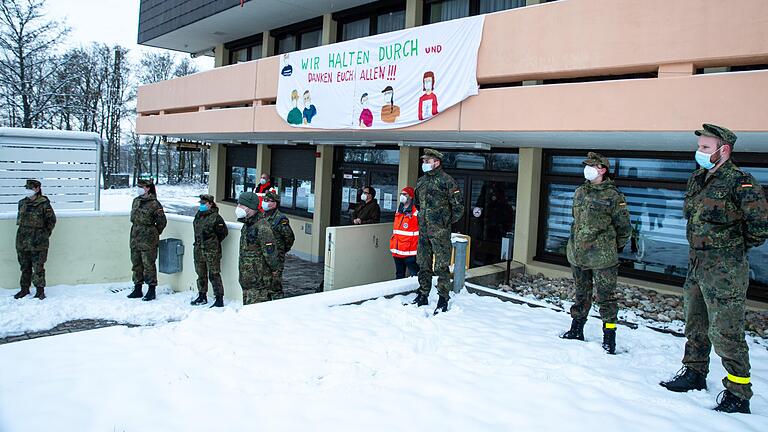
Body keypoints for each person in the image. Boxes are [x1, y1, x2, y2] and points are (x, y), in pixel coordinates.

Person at [660, 124, 768, 414]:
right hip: (697, 265)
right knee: (695, 322)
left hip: (725, 270)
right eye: (700, 147)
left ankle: (738, 392)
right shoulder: (698, 178)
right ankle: (694, 373)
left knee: (726, 332)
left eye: (706, 148)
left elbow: (759, 227)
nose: (700, 152)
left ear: (724, 150)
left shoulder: (741, 182)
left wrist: (731, 249)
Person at [561, 152, 630, 355]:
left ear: (602, 170)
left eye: (592, 165)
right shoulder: (580, 192)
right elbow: (576, 221)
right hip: (579, 255)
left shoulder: (614, 196)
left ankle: (609, 337)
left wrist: (610, 247)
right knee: (581, 294)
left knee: (606, 298)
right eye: (586, 165)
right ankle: (576, 329)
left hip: (602, 258)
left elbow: (624, 228)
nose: (587, 169)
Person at [413, 149, 464, 314]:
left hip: (440, 232)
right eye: (424, 161)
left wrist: (444, 223)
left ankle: (443, 298)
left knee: (441, 266)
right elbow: (418, 204)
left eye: (428, 161)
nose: (424, 164)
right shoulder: (421, 182)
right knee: (423, 264)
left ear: (437, 162)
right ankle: (423, 293)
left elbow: (458, 207)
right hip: (423, 231)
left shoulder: (447, 181)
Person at [236, 191, 281, 305]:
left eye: (241, 205)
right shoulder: (248, 224)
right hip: (248, 281)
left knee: (255, 317)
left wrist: (274, 273)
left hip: (258, 283)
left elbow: (271, 254)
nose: (238, 208)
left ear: (250, 208)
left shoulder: (262, 227)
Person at [14, 179, 56, 300]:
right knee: (24, 266)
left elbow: (51, 221)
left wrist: (43, 234)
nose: (28, 191)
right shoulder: (22, 203)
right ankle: (24, 289)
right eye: (26, 188)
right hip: (22, 240)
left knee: (38, 267)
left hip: (38, 241)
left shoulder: (44, 204)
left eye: (30, 188)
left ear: (37, 189)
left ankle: (40, 290)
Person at [126, 179, 167, 301]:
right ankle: (137, 287)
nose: (138, 188)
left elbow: (162, 222)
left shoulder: (154, 204)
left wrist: (153, 233)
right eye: (138, 186)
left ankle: (151, 289)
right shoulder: (136, 201)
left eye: (141, 186)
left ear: (148, 188)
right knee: (136, 263)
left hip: (148, 237)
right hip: (135, 236)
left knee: (148, 263)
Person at [190, 194, 229, 307]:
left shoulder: (216, 218)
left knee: (214, 274)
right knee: (201, 274)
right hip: (198, 249)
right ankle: (202, 295)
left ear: (210, 204)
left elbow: (223, 233)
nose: (201, 205)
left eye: (204, 203)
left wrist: (212, 243)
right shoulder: (199, 215)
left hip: (211, 251)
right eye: (201, 203)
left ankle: (219, 298)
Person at [260, 189, 295, 299]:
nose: (265, 202)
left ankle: (276, 304)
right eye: (264, 200)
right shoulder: (262, 216)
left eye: (268, 200)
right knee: (264, 281)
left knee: (275, 284)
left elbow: (289, 238)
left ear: (275, 203)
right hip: (263, 255)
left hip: (276, 255)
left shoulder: (280, 219)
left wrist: (282, 250)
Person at [390, 186, 420, 279]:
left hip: (410, 251)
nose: (402, 196)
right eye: (401, 194)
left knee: (415, 275)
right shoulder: (399, 209)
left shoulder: (416, 211)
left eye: (404, 194)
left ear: (410, 196)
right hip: (397, 249)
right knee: (399, 275)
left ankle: (418, 292)